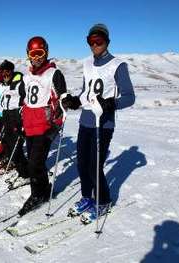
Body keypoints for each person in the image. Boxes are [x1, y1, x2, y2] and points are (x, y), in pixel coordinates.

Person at [62, 24, 135, 222]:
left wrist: (111, 103)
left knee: (95, 165)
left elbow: (130, 97)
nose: (94, 45)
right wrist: (76, 101)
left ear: (107, 42)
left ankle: (102, 201)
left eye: (99, 41)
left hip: (103, 124)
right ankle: (87, 197)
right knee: (82, 163)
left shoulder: (118, 65)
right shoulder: (86, 63)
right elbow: (87, 92)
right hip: (86, 120)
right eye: (91, 41)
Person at [18, 36, 67, 216]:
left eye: (40, 53)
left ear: (46, 53)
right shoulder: (26, 76)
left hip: (44, 127)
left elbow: (62, 101)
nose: (37, 57)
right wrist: (21, 123)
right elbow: (25, 101)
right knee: (35, 162)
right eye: (33, 54)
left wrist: (56, 126)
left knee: (34, 164)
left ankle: (37, 194)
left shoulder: (54, 74)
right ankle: (44, 189)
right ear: (28, 55)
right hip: (30, 126)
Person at [0, 60, 28, 179]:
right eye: (2, 72)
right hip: (7, 116)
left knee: (16, 146)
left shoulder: (20, 82)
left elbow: (26, 100)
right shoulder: (6, 84)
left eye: (7, 72)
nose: (5, 75)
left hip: (16, 117)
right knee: (8, 144)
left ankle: (25, 173)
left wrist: (22, 116)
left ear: (11, 71)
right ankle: (19, 167)